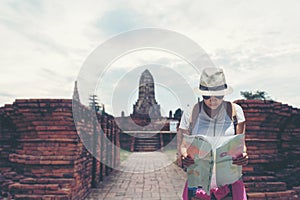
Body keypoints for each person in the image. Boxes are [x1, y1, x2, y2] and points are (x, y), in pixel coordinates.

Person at [179, 68, 248, 200]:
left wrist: (243, 155)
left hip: (230, 187)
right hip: (199, 186)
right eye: (207, 95)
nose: (213, 100)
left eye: (218, 95)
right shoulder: (191, 113)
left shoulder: (235, 112)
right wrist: (185, 156)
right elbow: (183, 146)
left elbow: (241, 145)